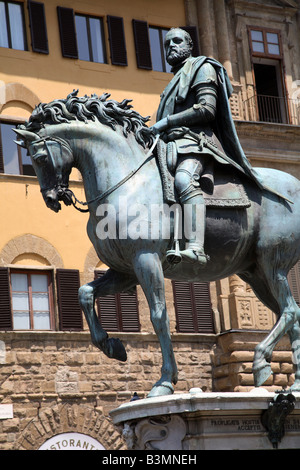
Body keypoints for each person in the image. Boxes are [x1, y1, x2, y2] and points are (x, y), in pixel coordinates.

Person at [151, 27, 288, 266]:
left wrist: (166, 122)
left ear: (189, 45)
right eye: (166, 43)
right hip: (171, 145)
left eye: (176, 41)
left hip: (196, 144)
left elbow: (206, 109)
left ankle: (195, 247)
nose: (171, 46)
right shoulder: (173, 81)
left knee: (184, 180)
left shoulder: (203, 67)